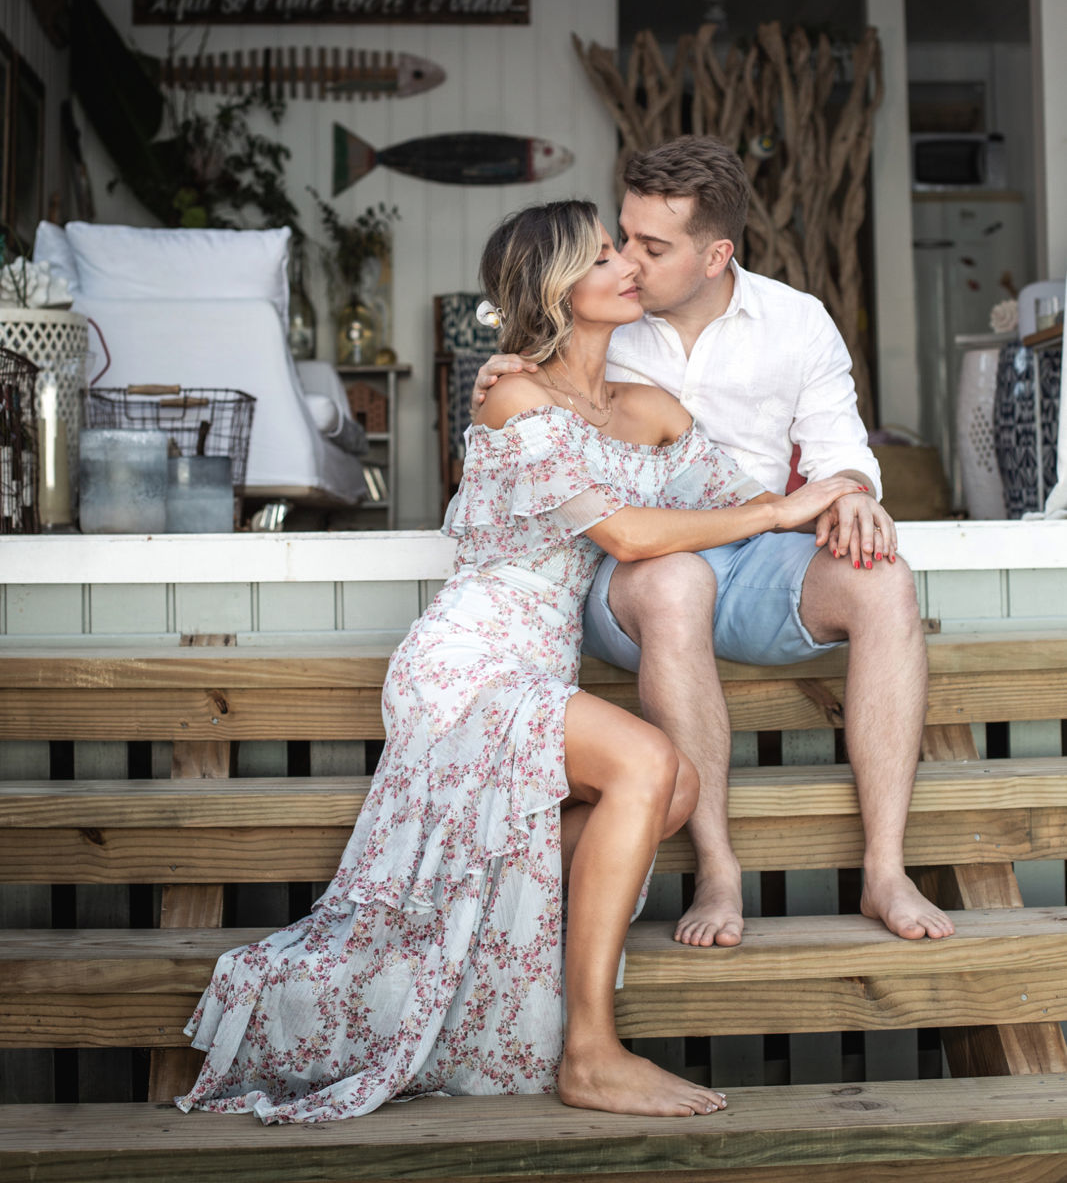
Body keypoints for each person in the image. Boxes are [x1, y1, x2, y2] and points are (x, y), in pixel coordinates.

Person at [177, 200, 858, 1124]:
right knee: (650, 763)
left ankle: (511, 972)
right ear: (553, 289)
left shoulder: (652, 411)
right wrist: (772, 512)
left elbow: (740, 500)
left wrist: (842, 501)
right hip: (467, 661)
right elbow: (626, 531)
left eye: (623, 251)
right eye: (601, 257)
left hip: (542, 667)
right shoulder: (511, 395)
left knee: (675, 791)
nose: (626, 266)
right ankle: (590, 1052)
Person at [474, 139, 955, 953]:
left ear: (715, 254)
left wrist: (854, 497)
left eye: (650, 248)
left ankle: (883, 869)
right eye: (620, 238)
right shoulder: (603, 314)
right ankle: (718, 869)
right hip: (628, 573)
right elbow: (536, 378)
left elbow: (838, 447)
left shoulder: (794, 320)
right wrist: (501, 370)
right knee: (672, 580)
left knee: (884, 581)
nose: (626, 261)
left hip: (756, 551)